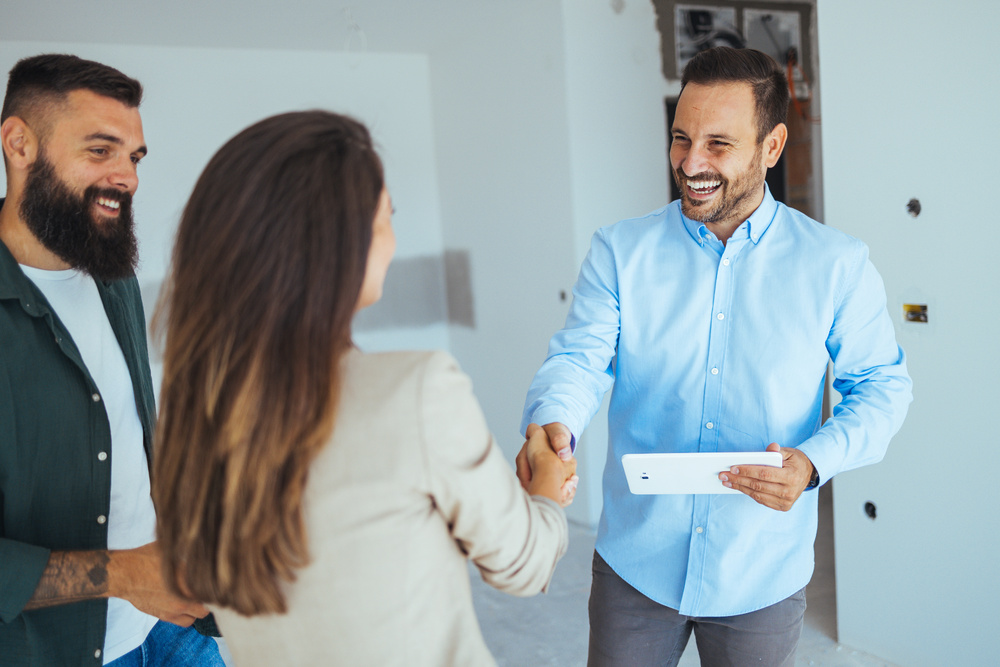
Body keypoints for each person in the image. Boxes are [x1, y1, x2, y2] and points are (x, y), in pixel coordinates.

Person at [518, 46, 912, 666]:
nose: (691, 163)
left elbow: (883, 389)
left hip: (761, 572)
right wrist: (556, 425)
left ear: (772, 147)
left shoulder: (836, 265)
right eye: (681, 138)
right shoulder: (619, 251)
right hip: (635, 565)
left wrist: (812, 463)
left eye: (719, 145)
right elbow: (580, 361)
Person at [151, 110, 578, 666]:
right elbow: (523, 563)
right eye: (386, 217)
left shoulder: (192, 414)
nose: (393, 241)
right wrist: (546, 488)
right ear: (340, 242)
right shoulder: (417, 389)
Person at [0, 54, 224, 666]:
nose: (125, 176)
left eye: (134, 157)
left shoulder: (112, 272)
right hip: (56, 650)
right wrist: (121, 575)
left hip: (166, 625)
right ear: (19, 144)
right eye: (101, 151)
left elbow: (126, 432)